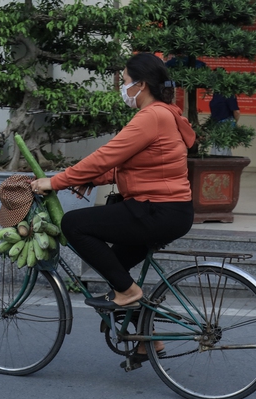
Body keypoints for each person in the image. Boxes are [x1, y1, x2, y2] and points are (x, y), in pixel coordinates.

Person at [31, 52, 196, 317]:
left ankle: (129, 293)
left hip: (157, 210)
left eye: (126, 81)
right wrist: (92, 179)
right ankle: (147, 341)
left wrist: (55, 182)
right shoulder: (165, 114)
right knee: (115, 272)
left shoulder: (151, 117)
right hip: (169, 210)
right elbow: (136, 166)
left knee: (74, 224)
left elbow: (106, 157)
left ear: (141, 84)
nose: (123, 88)